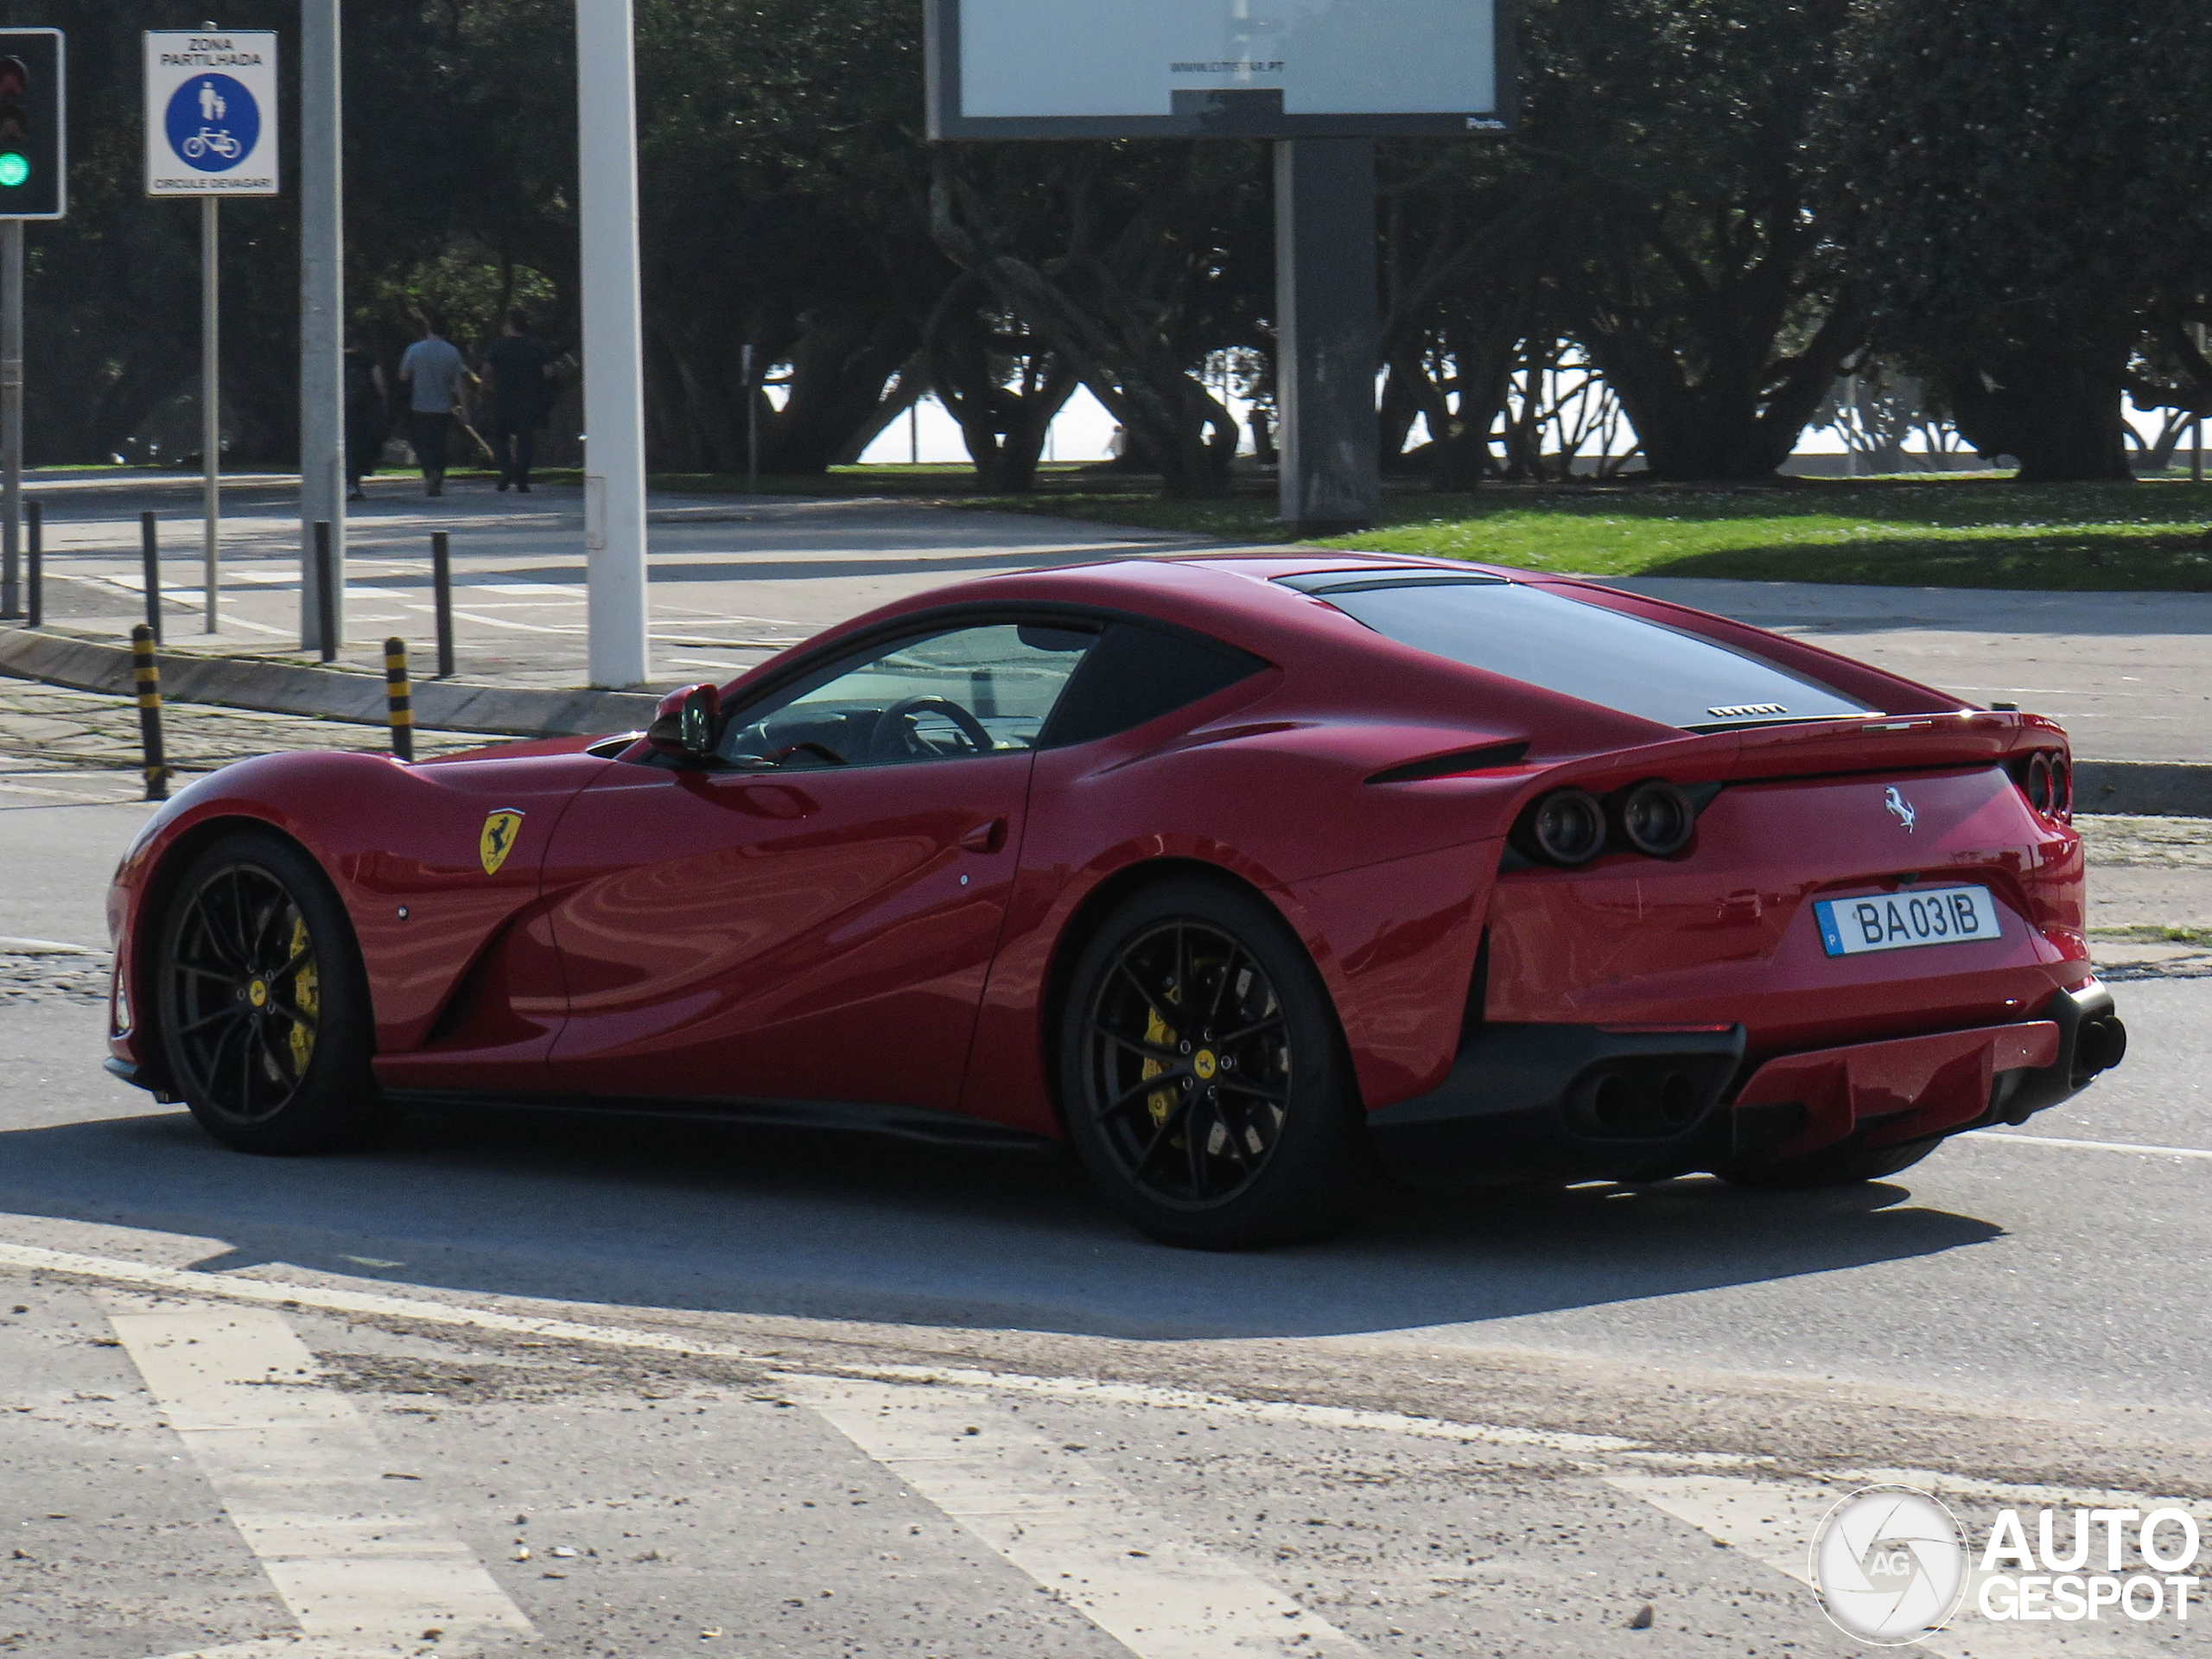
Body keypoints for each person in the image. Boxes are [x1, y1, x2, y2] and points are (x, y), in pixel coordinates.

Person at [480, 308, 560, 493]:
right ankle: (522, 477)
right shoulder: (537, 346)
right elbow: (548, 372)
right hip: (529, 400)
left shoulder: (498, 346)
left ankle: (507, 469)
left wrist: (486, 390)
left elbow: (486, 371)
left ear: (509, 325)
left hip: (503, 399)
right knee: (525, 439)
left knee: (498, 437)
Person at [397, 314, 469, 497]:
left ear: (429, 329)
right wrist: (464, 408)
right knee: (440, 443)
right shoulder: (452, 352)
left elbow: (403, 376)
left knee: (422, 444)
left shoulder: (415, 350)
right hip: (443, 407)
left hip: (419, 405)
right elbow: (459, 384)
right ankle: (438, 476)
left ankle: (430, 472)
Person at [342, 336, 387, 502]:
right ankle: (355, 483)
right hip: (365, 408)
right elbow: (380, 384)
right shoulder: (367, 359)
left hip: (342, 408)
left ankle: (348, 483)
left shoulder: (334, 359)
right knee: (360, 445)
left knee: (347, 445)